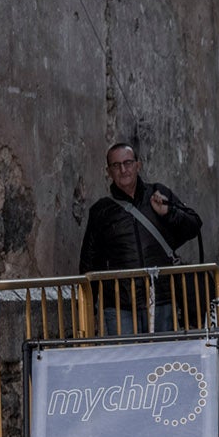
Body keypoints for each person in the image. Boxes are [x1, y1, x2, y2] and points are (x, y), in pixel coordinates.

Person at [78, 142, 202, 332]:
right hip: (120, 305)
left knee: (161, 359)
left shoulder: (158, 194)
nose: (123, 169)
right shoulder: (101, 211)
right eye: (116, 165)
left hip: (161, 298)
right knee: (125, 360)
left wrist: (168, 212)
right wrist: (88, 308)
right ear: (108, 172)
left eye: (128, 163)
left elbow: (193, 225)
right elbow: (89, 261)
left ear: (138, 165)